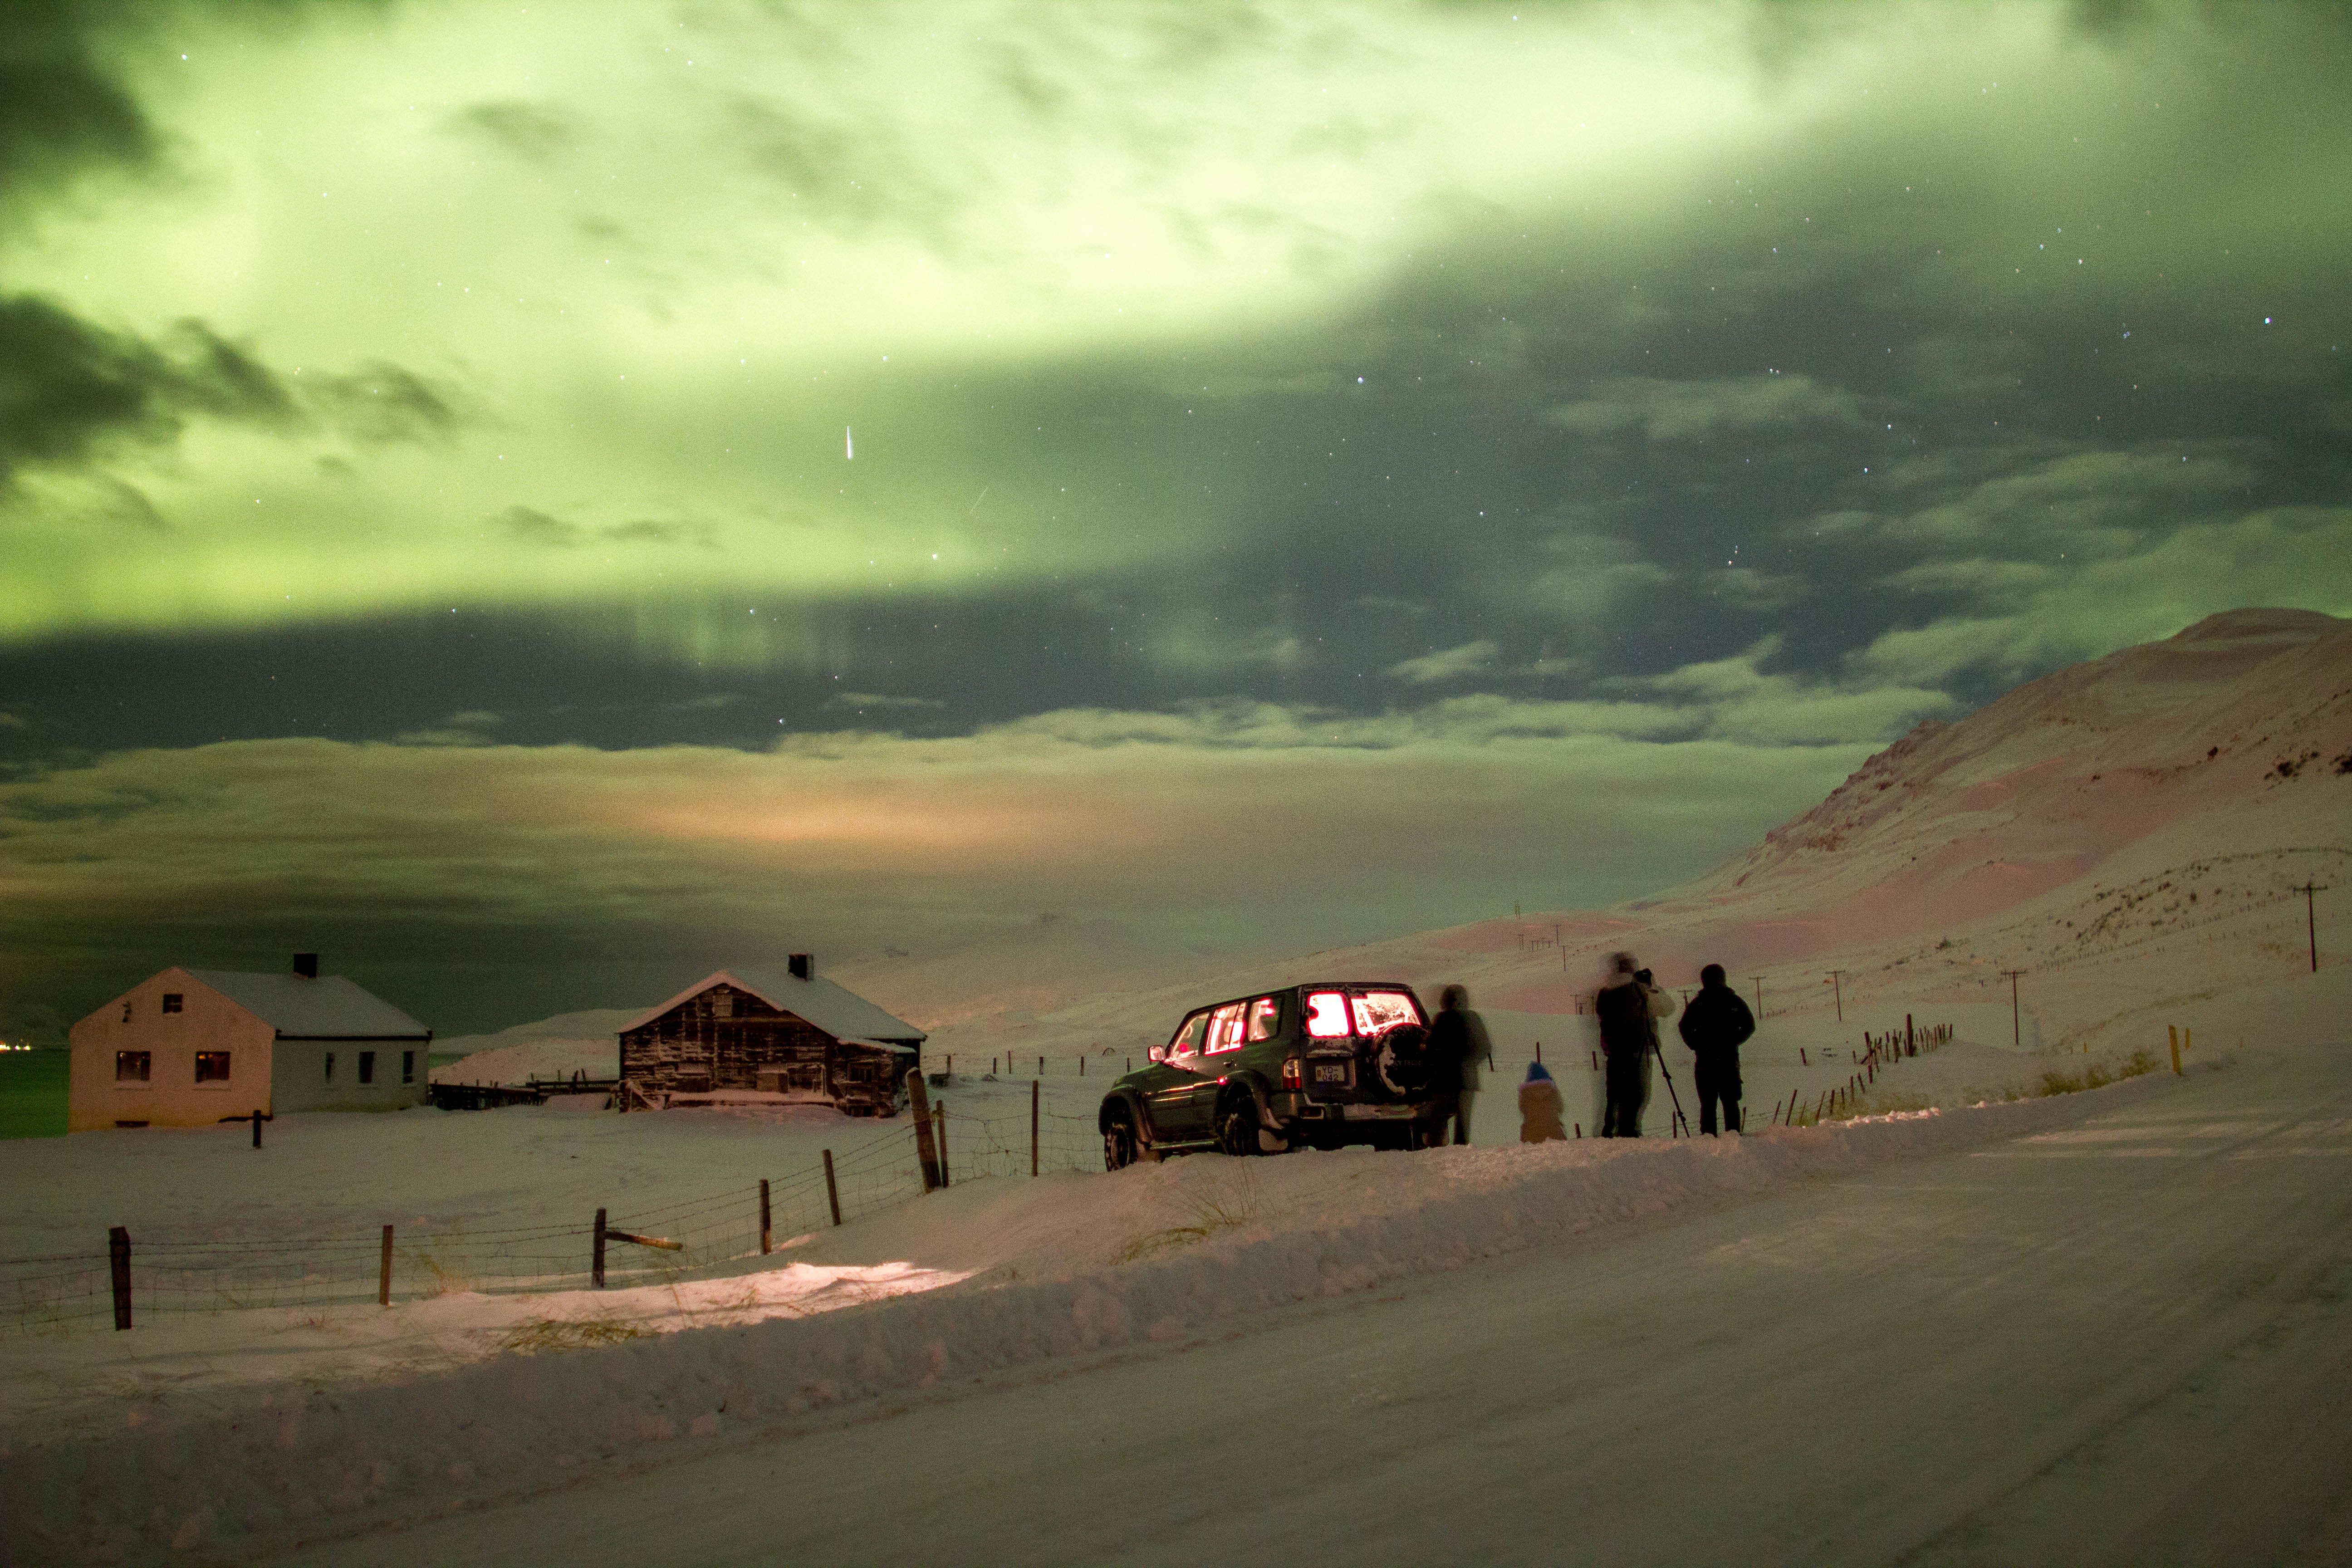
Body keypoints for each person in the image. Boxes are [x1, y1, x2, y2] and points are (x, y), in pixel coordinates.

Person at [1594, 952, 1675, 1137]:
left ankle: (1610, 1133)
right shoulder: (1638, 990)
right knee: (1637, 1097)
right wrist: (1652, 987)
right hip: (1638, 1052)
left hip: (1615, 1054)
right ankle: (1630, 1135)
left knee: (1615, 1097)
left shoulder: (1605, 993)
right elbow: (1666, 1008)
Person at [1677, 963, 1756, 1135]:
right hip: (1728, 1061)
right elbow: (1749, 1026)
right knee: (1730, 1103)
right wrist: (1733, 1041)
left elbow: (1684, 1027)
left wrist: (1696, 1044)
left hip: (1705, 1062)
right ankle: (1733, 1139)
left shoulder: (1698, 1004)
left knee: (1708, 1105)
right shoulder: (1733, 1001)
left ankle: (1708, 1142)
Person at [1424, 984, 1492, 1145]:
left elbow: (1431, 1048)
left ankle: (1434, 1152)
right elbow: (1485, 1047)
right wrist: (1471, 1063)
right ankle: (1461, 1154)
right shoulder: (1473, 1018)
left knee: (1438, 1118)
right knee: (1463, 1123)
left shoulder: (1442, 1019)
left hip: (1444, 1080)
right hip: (1467, 1080)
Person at [1519, 1059, 1566, 1142]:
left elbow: (1522, 1110)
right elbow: (1561, 1109)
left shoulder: (1525, 1094)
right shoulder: (1553, 1092)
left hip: (1531, 1136)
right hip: (1554, 1134)